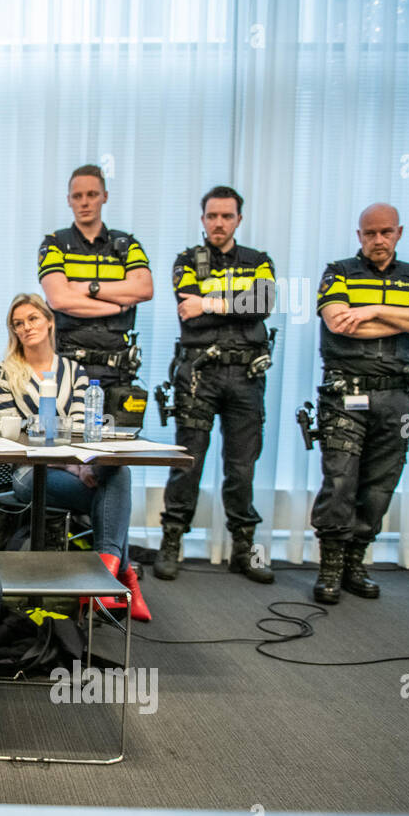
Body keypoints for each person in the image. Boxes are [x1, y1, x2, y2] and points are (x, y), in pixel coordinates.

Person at [310, 203, 409, 604]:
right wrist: (404, 315)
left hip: (397, 395)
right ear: (359, 236)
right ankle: (330, 567)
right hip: (345, 394)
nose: (378, 240)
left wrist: (371, 310)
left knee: (381, 484)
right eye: (370, 233)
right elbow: (338, 321)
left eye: (386, 232)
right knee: (340, 480)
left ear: (398, 232)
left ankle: (355, 563)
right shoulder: (338, 272)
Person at [0, 293, 150, 622]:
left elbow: (79, 429)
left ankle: (105, 575)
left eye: (32, 319)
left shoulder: (74, 372)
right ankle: (122, 577)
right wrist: (73, 466)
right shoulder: (4, 372)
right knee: (111, 490)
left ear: (50, 321)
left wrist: (78, 463)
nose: (26, 327)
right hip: (28, 474)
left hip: (74, 468)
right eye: (18, 324)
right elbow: (14, 433)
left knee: (117, 475)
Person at [155, 186, 277, 584]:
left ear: (239, 219)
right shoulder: (186, 260)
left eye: (226, 216)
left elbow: (263, 304)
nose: (219, 223)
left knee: (242, 468)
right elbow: (188, 312)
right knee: (187, 463)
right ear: (202, 219)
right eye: (212, 216)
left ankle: (246, 549)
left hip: (246, 376)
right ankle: (171, 542)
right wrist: (233, 305)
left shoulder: (259, 261)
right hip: (199, 376)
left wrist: (211, 302)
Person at [38, 164, 153, 408]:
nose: (85, 202)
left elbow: (143, 289)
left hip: (117, 369)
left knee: (118, 444)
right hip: (68, 365)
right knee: (64, 443)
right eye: (78, 196)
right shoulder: (55, 244)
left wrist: (89, 288)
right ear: (68, 200)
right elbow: (59, 300)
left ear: (105, 197)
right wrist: (119, 306)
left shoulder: (126, 244)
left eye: (92, 195)